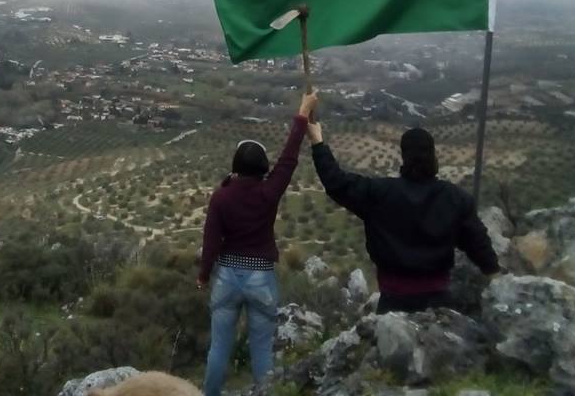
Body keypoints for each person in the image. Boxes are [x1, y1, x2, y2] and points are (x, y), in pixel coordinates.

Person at [308, 122, 499, 314]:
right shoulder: (456, 198)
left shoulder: (378, 193)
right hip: (440, 308)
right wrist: (497, 280)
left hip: (392, 306)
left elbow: (336, 182)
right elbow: (478, 244)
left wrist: (317, 141)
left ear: (403, 156)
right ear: (433, 156)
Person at [198, 91, 318, 396]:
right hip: (261, 277)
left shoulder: (221, 197)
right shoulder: (268, 192)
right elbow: (289, 157)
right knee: (262, 352)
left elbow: (211, 241)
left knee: (218, 350)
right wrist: (302, 113)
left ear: (236, 166)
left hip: (226, 276)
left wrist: (202, 275)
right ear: (263, 166)